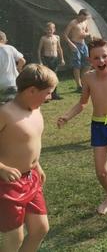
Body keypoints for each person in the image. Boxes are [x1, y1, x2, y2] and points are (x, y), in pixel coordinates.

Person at [57, 39, 107, 215]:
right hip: (98, 126)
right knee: (101, 172)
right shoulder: (88, 77)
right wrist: (67, 116)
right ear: (90, 60)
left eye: (104, 56)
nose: (101, 61)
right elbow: (82, 103)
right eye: (96, 58)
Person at [0, 64, 57, 252]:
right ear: (32, 90)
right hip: (8, 185)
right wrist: (2, 168)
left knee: (40, 228)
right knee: (15, 238)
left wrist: (37, 165)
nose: (49, 97)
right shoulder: (5, 113)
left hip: (31, 178)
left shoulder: (35, 110)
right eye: (48, 93)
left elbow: (30, 143)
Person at [63, 9, 92, 93]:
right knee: (77, 65)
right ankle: (78, 86)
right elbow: (65, 35)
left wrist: (86, 34)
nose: (84, 20)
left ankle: (83, 83)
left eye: (85, 18)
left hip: (83, 44)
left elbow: (87, 31)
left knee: (88, 63)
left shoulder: (85, 22)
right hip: (75, 44)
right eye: (83, 18)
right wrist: (71, 44)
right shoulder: (73, 22)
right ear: (79, 15)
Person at [36, 22, 65, 100]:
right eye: (48, 29)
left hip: (55, 59)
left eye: (51, 29)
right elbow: (39, 50)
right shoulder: (43, 38)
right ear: (45, 30)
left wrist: (62, 59)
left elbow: (59, 48)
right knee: (46, 77)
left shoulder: (57, 37)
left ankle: (54, 94)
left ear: (54, 30)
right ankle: (45, 95)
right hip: (47, 58)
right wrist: (40, 61)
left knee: (54, 76)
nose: (49, 31)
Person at [0, 31, 26, 104]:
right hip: (11, 82)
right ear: (2, 39)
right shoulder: (10, 48)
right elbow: (22, 60)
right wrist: (18, 69)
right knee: (13, 107)